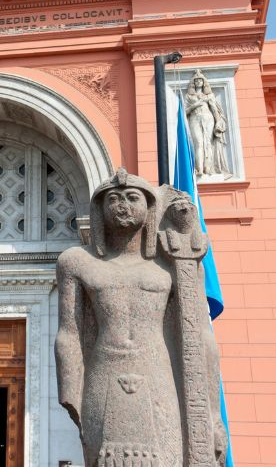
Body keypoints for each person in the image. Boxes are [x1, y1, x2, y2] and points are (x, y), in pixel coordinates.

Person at [56, 168, 226, 466]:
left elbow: (200, 335)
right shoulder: (76, 262)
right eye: (113, 199)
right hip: (102, 374)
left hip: (159, 374)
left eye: (132, 197)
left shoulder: (177, 263)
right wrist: (71, 395)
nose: (122, 205)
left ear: (150, 208)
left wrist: (212, 413)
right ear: (99, 209)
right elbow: (69, 333)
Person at [184, 70, 230, 178]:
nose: (199, 82)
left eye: (201, 80)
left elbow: (214, 110)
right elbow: (185, 111)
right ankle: (199, 168)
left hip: (208, 118)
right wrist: (196, 105)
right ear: (193, 83)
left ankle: (208, 168)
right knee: (198, 143)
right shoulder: (189, 96)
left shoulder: (209, 95)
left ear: (204, 82)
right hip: (194, 118)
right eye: (196, 80)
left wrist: (218, 121)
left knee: (208, 142)